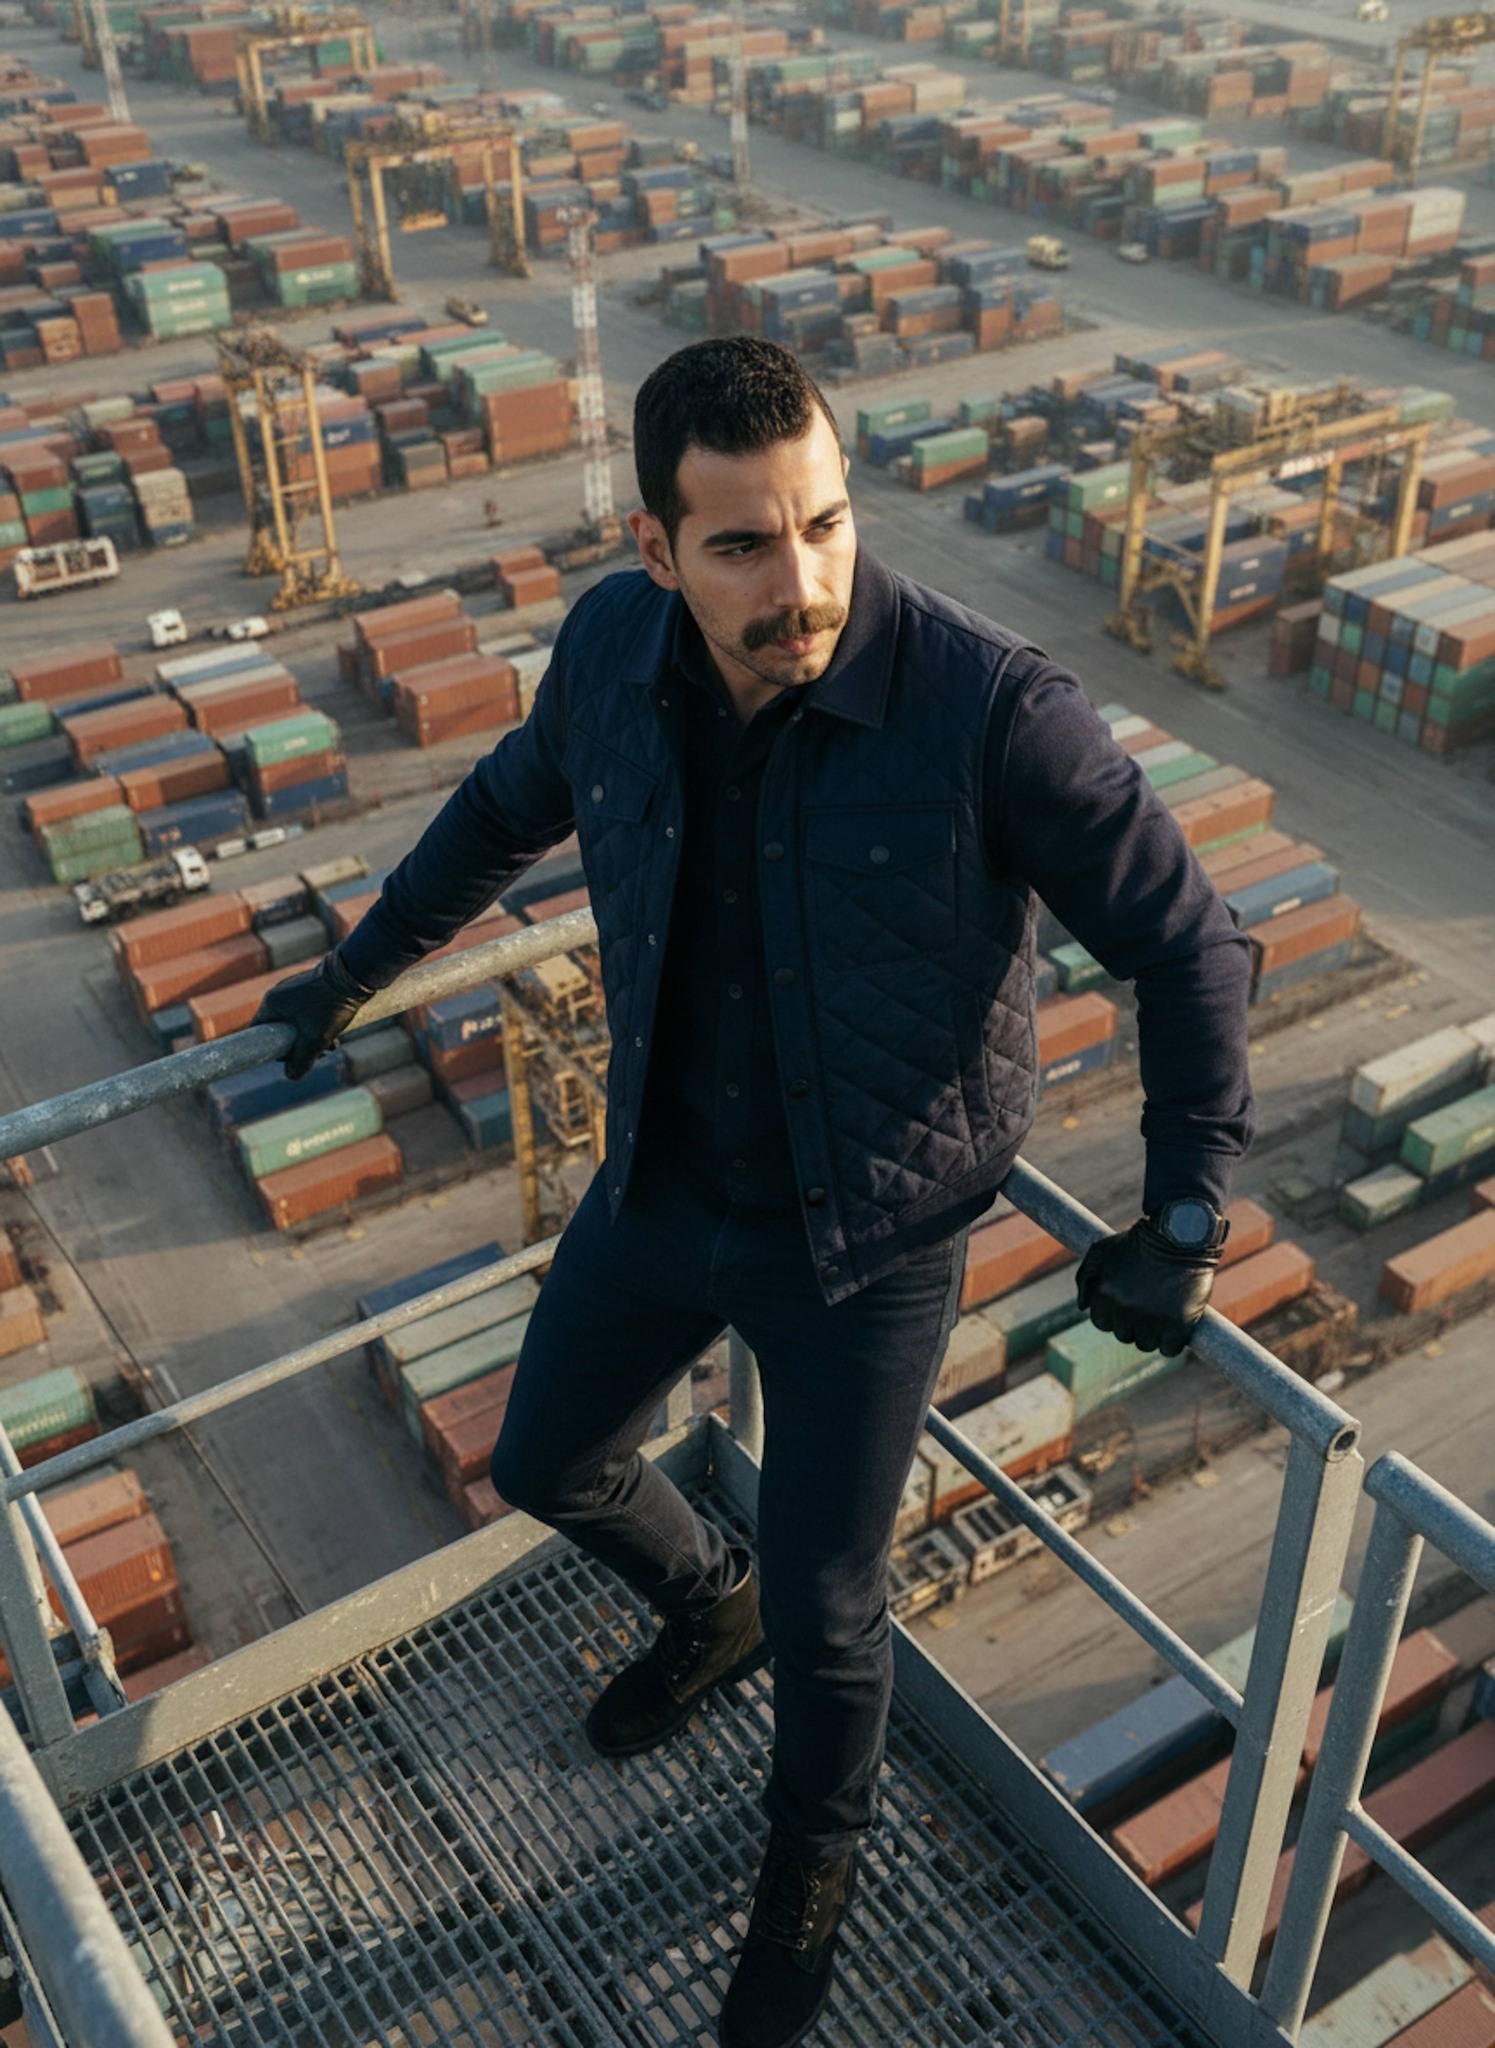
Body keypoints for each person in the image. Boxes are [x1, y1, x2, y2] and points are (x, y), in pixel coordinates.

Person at [257, 335, 1253, 2048]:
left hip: (869, 1241)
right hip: (662, 1179)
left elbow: (1192, 940)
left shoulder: (992, 709)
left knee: (835, 1606)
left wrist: (1183, 1210)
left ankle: (808, 1887)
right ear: (654, 549)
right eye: (741, 544)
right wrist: (351, 972)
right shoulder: (607, 650)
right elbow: (502, 810)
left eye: (824, 525)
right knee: (544, 1458)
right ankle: (697, 1602)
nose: (799, 583)